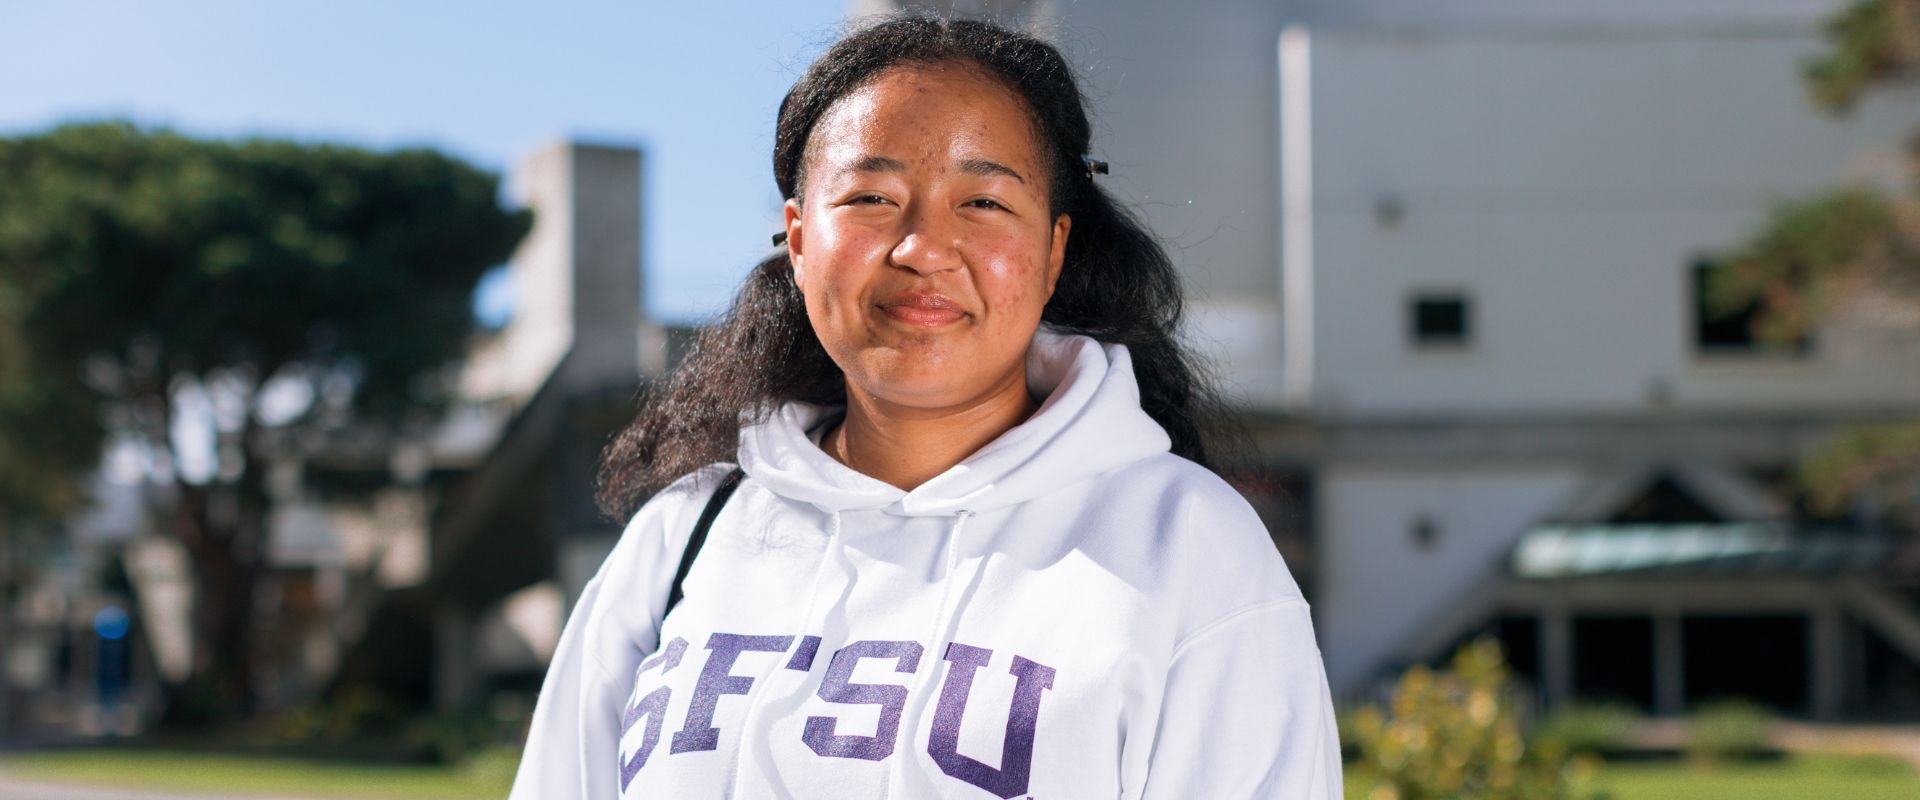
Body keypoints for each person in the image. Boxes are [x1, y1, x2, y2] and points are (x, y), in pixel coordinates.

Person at [511, 15, 1341, 799]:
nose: (922, 250)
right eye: (870, 199)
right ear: (799, 242)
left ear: (1053, 251)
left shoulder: (1187, 545)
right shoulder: (686, 536)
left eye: (983, 203)